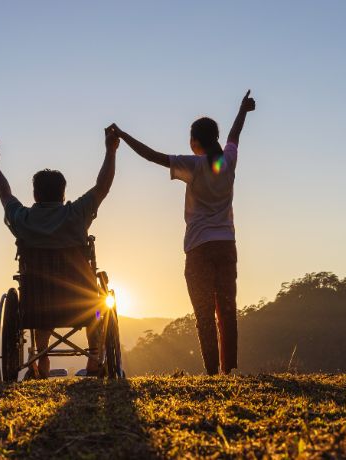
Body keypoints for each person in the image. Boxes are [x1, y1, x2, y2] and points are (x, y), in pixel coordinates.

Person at [107, 90, 255, 375]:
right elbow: (235, 134)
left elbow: (152, 156)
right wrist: (242, 109)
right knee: (226, 308)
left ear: (195, 142)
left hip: (199, 247)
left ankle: (212, 372)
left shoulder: (195, 165)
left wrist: (123, 136)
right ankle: (228, 370)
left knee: (203, 314)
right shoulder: (228, 160)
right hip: (226, 244)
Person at [0, 128, 119, 378]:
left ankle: (42, 359)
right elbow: (103, 186)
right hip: (86, 306)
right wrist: (110, 151)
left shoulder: (23, 219)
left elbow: (4, 194)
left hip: (35, 308)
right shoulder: (76, 214)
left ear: (35, 194)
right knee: (100, 301)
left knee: (39, 291)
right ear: (63, 193)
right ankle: (94, 359)